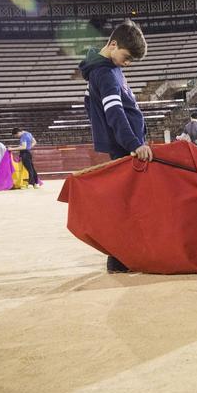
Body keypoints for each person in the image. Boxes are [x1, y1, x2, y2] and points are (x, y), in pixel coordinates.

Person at [78, 19, 152, 273]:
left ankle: (121, 257)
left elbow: (91, 106)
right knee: (126, 203)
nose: (127, 63)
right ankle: (119, 259)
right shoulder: (105, 73)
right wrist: (133, 143)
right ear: (112, 44)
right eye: (127, 56)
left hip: (125, 144)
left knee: (128, 202)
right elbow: (114, 112)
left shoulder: (107, 68)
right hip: (125, 147)